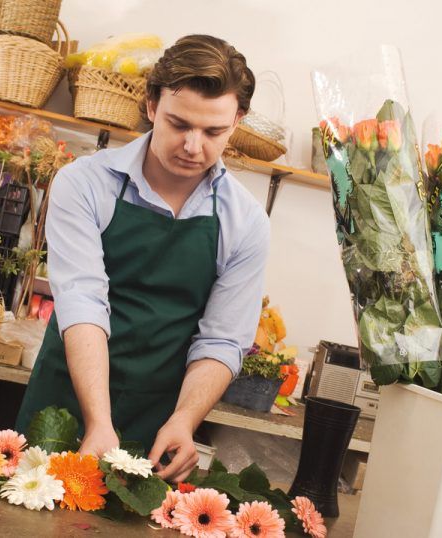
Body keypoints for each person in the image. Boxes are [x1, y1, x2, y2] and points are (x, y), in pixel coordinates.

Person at [16, 34, 270, 482]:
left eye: (214, 132)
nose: (194, 146)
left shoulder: (246, 222)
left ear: (238, 121)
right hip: (61, 410)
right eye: (179, 124)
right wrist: (97, 422)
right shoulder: (84, 183)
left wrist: (186, 421)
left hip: (160, 425)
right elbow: (82, 302)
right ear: (152, 105)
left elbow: (222, 342)